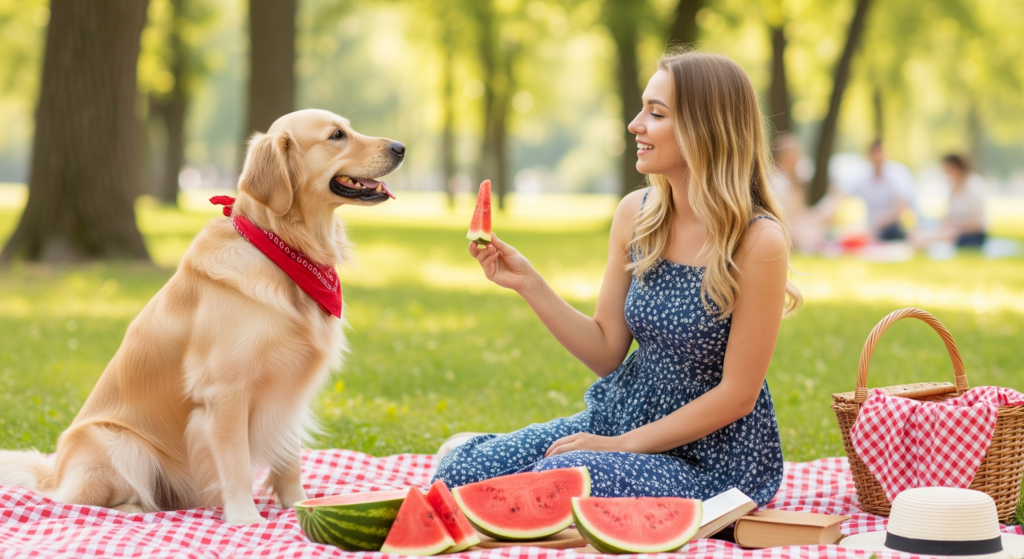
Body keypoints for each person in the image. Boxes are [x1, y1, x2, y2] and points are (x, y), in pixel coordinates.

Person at [431, 51, 802, 505]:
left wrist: (619, 447)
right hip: (618, 418)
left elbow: (737, 396)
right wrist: (528, 282)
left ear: (704, 128)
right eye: (643, 107)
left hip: (711, 459)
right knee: (458, 472)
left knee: (558, 478)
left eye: (656, 113)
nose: (635, 124)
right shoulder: (636, 214)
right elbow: (607, 350)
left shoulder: (759, 241)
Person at [911, 153, 987, 249]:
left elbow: (978, 223)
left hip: (972, 235)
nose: (947, 174)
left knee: (943, 236)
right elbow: (948, 216)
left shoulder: (974, 186)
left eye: (949, 170)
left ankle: (924, 241)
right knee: (927, 231)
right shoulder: (952, 187)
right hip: (954, 231)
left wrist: (954, 226)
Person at [845, 141, 917, 241]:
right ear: (869, 156)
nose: (878, 157)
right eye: (874, 153)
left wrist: (877, 223)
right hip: (874, 230)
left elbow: (901, 208)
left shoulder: (898, 174)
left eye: (880, 153)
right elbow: (840, 197)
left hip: (897, 228)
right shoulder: (861, 176)